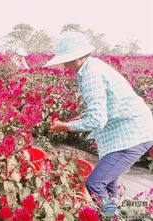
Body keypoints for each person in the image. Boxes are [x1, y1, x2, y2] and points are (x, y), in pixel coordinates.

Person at [44, 32, 153, 215]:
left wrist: (65, 127)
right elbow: (104, 106)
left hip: (132, 136)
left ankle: (110, 217)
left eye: (66, 60)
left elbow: (97, 120)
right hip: (129, 133)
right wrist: (79, 118)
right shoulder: (93, 67)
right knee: (109, 184)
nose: (64, 65)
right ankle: (114, 213)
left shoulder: (91, 75)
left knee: (95, 183)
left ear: (75, 58)